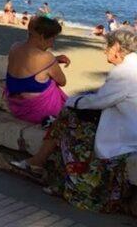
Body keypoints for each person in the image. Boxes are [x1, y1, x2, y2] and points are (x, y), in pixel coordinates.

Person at [13, 27, 137, 212]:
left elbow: (99, 101)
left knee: (68, 119)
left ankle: (40, 166)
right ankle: (44, 170)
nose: (105, 50)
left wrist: (72, 101)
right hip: (126, 129)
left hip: (124, 138)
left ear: (118, 47)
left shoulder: (125, 74)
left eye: (108, 46)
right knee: (68, 121)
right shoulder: (131, 68)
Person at [4, 16, 69, 125]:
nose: (52, 44)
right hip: (37, 111)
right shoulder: (47, 58)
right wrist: (53, 62)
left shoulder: (15, 47)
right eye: (52, 39)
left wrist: (55, 61)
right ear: (42, 37)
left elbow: (27, 67)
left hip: (15, 107)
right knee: (53, 83)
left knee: (45, 76)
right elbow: (63, 82)